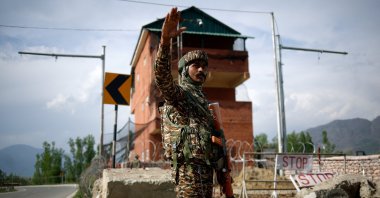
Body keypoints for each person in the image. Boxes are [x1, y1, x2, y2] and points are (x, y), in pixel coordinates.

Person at [154, 7, 227, 198]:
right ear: (185, 70)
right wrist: (164, 41)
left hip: (205, 169)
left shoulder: (202, 101)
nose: (202, 69)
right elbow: (162, 78)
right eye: (196, 65)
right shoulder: (180, 95)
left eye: (204, 66)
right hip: (188, 170)